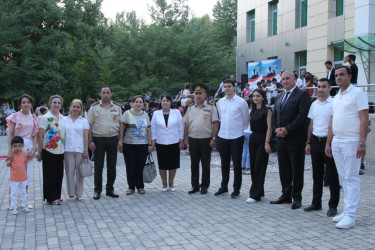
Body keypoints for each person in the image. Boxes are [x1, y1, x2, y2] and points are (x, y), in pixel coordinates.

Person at [325, 66, 369, 229]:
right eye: (336, 75)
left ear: (350, 76)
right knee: (344, 178)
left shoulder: (358, 94)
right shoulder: (336, 97)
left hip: (352, 141)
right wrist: (329, 142)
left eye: (342, 75)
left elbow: (364, 120)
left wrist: (362, 142)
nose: (339, 78)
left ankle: (351, 215)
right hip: (337, 141)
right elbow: (333, 120)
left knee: (351, 179)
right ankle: (345, 211)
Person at [270, 70, 311, 209]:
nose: (285, 81)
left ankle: (297, 197)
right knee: (284, 169)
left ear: (295, 79)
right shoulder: (280, 96)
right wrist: (276, 129)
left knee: (296, 169)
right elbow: (274, 115)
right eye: (283, 79)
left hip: (295, 139)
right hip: (281, 139)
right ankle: (286, 194)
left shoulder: (302, 94)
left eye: (288, 78)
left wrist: (287, 129)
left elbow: (302, 117)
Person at [304, 79, 340, 217]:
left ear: (330, 88)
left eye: (324, 87)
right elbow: (311, 125)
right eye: (319, 87)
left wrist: (328, 143)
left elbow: (333, 124)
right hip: (315, 141)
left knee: (331, 175)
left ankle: (333, 206)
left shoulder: (334, 103)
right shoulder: (314, 104)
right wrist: (308, 142)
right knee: (316, 174)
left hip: (328, 142)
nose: (320, 89)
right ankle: (316, 202)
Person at [215, 79, 250, 198]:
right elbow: (221, 118)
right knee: (224, 163)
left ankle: (236, 189)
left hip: (236, 136)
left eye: (229, 86)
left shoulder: (241, 102)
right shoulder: (219, 102)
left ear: (234, 88)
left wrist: (239, 130)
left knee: (236, 164)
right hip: (223, 135)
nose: (227, 89)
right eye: (225, 86)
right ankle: (224, 187)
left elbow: (246, 120)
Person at [87, 85, 122, 200]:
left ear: (111, 94)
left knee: (112, 166)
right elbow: (89, 125)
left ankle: (110, 189)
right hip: (98, 139)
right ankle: (97, 190)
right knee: (98, 166)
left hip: (112, 138)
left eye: (108, 92)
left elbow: (121, 124)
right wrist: (90, 140)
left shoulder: (117, 107)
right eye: (104, 92)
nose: (106, 94)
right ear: (100, 94)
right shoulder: (94, 107)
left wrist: (120, 140)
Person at [183, 84, 219, 195]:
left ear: (205, 95)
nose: (198, 96)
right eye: (196, 94)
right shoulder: (190, 107)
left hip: (206, 140)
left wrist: (214, 138)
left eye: (200, 93)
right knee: (194, 164)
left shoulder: (211, 107)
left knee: (205, 164)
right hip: (193, 139)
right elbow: (187, 124)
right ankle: (194, 186)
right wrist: (185, 138)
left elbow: (215, 123)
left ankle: (204, 186)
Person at [6, 94, 39, 209]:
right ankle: (12, 203)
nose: (26, 104)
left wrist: (34, 148)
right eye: (23, 102)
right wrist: (10, 150)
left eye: (28, 102)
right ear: (20, 104)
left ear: (31, 104)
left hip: (28, 146)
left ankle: (23, 201)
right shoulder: (15, 116)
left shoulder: (34, 117)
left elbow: (35, 134)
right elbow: (10, 134)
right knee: (15, 174)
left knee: (26, 174)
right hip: (17, 146)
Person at [119, 95, 152, 195]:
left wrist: (150, 144)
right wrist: (120, 141)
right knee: (130, 165)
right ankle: (131, 186)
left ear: (143, 104)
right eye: (136, 102)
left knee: (140, 166)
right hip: (129, 144)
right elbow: (122, 128)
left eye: (140, 102)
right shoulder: (127, 113)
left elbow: (149, 130)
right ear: (132, 103)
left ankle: (140, 186)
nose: (138, 104)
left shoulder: (145, 114)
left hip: (142, 144)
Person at [151, 95, 184, 192]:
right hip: (161, 143)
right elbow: (153, 129)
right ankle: (164, 184)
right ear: (161, 102)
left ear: (170, 102)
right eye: (163, 101)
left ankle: (171, 183)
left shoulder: (176, 112)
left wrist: (181, 141)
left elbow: (181, 127)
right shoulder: (156, 113)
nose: (165, 103)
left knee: (173, 164)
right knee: (163, 164)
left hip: (174, 142)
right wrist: (152, 143)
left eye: (167, 101)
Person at [37, 95, 65, 205]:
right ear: (50, 103)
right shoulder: (45, 118)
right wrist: (39, 152)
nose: (56, 104)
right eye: (54, 102)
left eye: (59, 103)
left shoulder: (62, 117)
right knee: (50, 174)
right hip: (49, 150)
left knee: (59, 174)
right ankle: (51, 197)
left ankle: (57, 195)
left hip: (60, 150)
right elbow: (40, 135)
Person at [246, 89, 272, 203]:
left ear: (263, 97)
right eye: (254, 96)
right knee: (253, 165)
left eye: (258, 96)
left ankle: (255, 194)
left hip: (263, 138)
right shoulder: (252, 111)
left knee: (259, 166)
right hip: (253, 138)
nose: (255, 98)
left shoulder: (267, 110)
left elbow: (270, 127)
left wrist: (267, 142)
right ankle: (259, 190)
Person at [64, 99, 89, 202]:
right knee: (69, 172)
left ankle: (79, 194)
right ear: (70, 107)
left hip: (80, 149)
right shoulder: (64, 120)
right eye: (73, 106)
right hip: (68, 149)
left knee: (79, 173)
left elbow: (85, 136)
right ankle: (71, 194)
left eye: (78, 107)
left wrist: (86, 150)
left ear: (81, 109)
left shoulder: (84, 121)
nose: (75, 109)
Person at [6, 136, 33, 215]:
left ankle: (23, 205)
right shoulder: (11, 155)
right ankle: (13, 207)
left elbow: (25, 165)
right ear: (12, 147)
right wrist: (8, 163)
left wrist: (26, 175)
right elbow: (7, 164)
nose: (17, 148)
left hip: (23, 178)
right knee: (13, 193)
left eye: (19, 146)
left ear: (22, 146)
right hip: (14, 178)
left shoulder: (24, 155)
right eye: (15, 146)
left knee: (23, 192)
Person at [241, 99, 252, 175]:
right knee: (249, 150)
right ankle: (248, 167)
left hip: (244, 131)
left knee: (244, 150)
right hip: (250, 132)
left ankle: (242, 166)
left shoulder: (244, 112)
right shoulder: (252, 112)